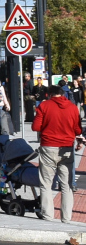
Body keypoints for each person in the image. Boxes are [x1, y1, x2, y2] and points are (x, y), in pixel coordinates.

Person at [32, 84, 83, 222]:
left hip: (48, 147)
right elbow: (78, 130)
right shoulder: (72, 107)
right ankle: (66, 219)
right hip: (66, 148)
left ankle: (48, 217)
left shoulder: (44, 106)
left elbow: (35, 126)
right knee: (66, 185)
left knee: (46, 183)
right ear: (63, 94)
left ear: (49, 94)